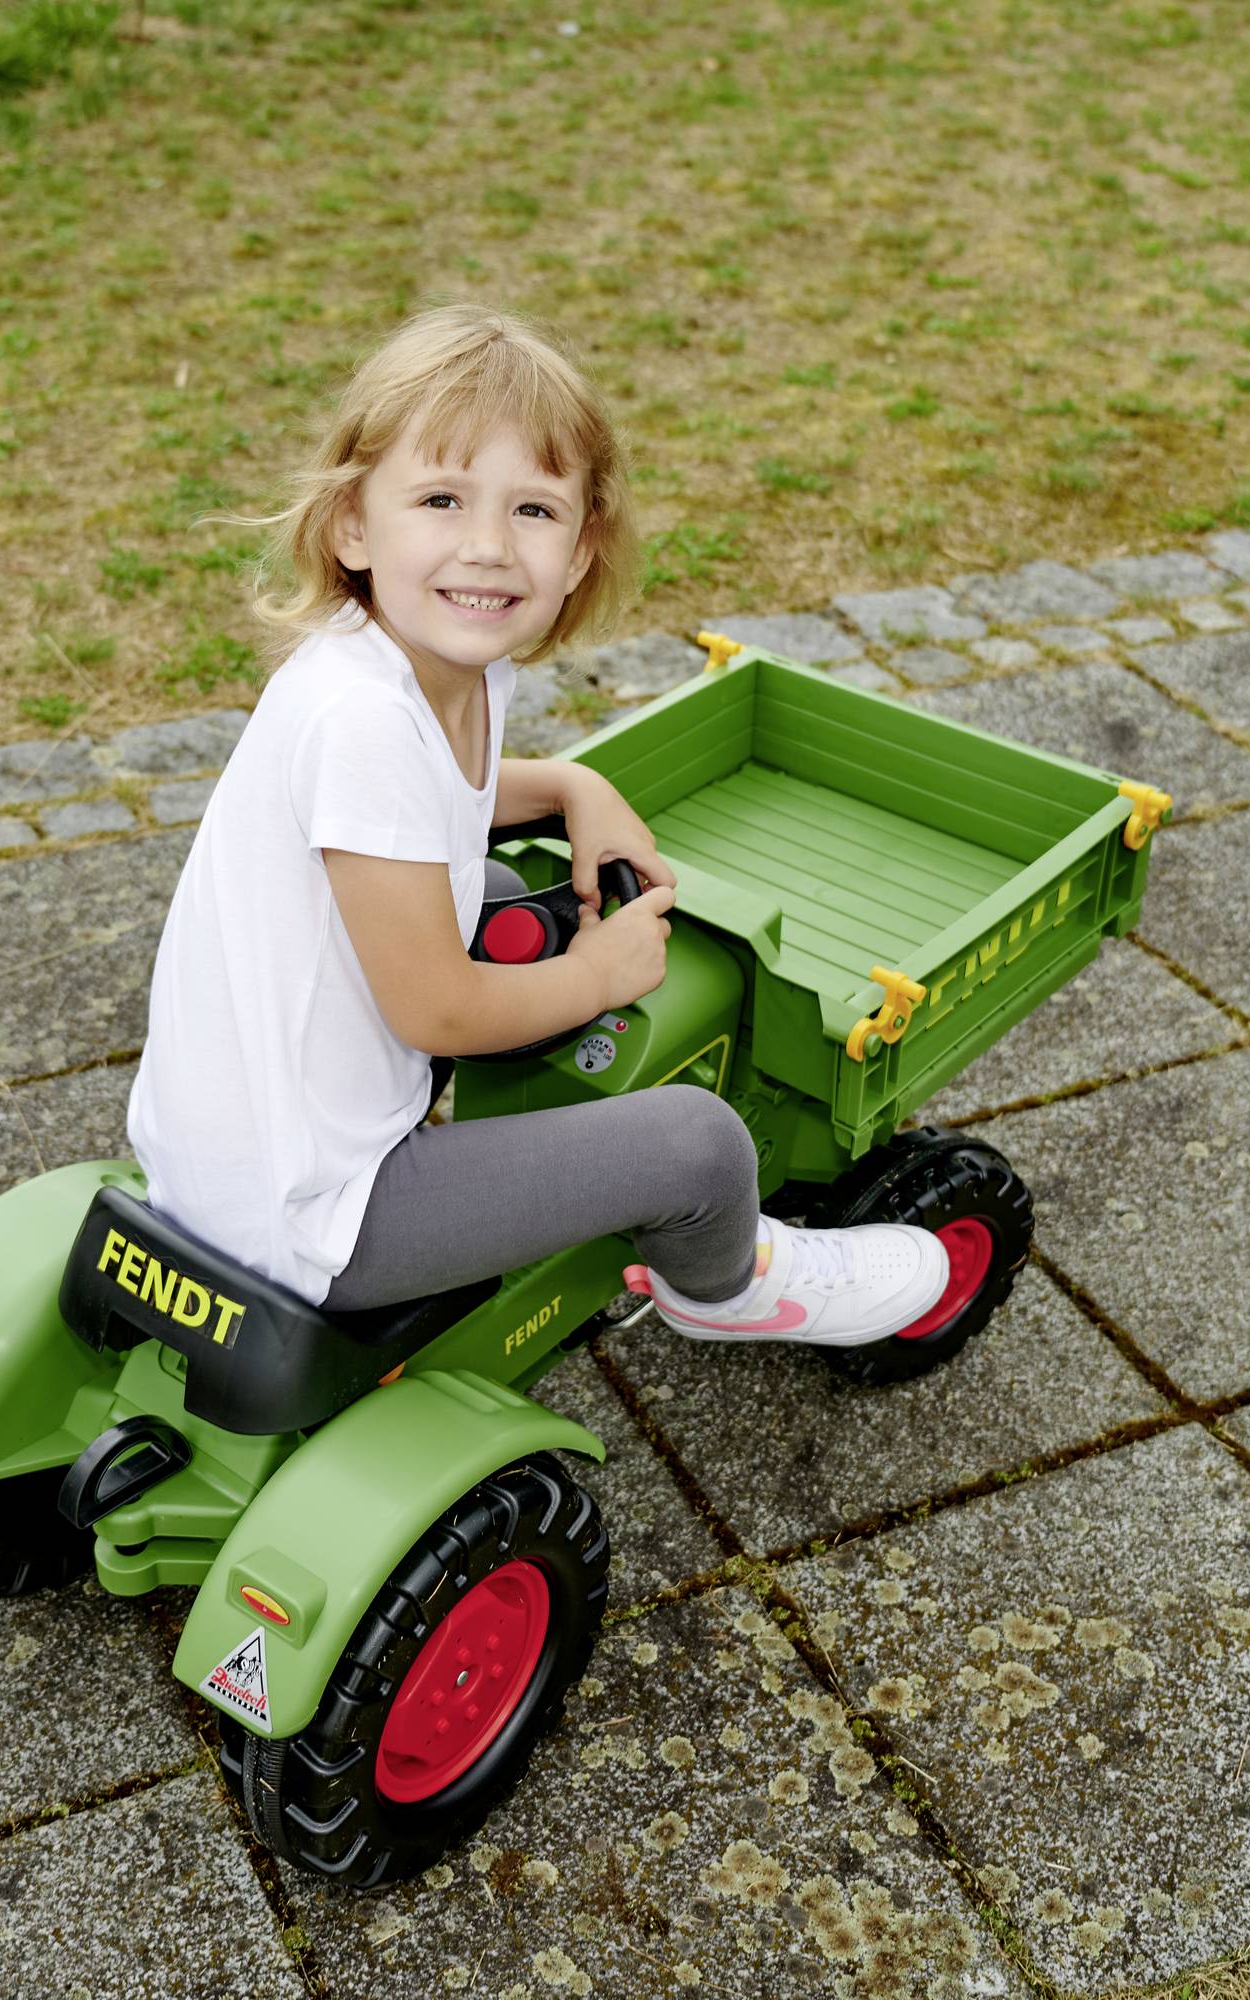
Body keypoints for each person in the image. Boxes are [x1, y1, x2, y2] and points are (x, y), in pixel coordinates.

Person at [125, 303, 949, 1345]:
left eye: (533, 511)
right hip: (316, 1217)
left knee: (509, 894)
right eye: (440, 497)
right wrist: (601, 975)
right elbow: (439, 1012)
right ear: (350, 523)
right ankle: (727, 1289)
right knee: (696, 1143)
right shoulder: (365, 721)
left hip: (232, 1155)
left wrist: (566, 788)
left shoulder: (398, 662)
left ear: (580, 548)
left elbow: (425, 806)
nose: (487, 547)